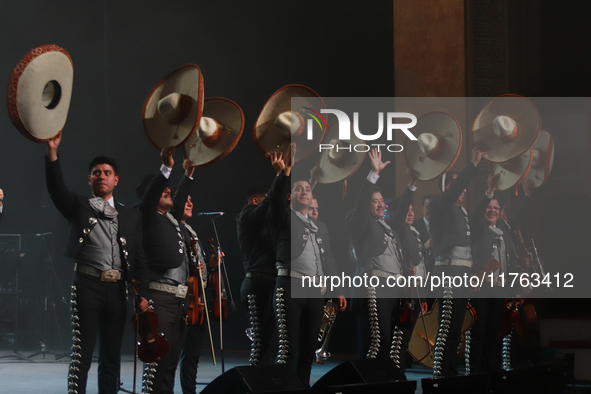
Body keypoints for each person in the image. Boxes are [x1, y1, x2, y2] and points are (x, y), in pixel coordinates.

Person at [44, 132, 149, 394]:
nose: (101, 176)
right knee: (83, 352)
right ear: (89, 179)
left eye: (106, 172)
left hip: (118, 290)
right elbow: (56, 190)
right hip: (87, 286)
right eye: (96, 172)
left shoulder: (130, 216)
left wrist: (143, 293)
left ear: (116, 179)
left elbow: (139, 257)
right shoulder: (79, 204)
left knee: (112, 356)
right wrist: (52, 153)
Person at [268, 145, 346, 386]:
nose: (304, 192)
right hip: (290, 285)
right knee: (288, 348)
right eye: (298, 189)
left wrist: (336, 288)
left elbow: (329, 259)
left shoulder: (319, 226)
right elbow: (275, 202)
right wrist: (284, 173)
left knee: (308, 349)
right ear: (290, 196)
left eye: (308, 189)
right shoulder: (284, 216)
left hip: (315, 291)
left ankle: (301, 387)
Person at [137, 147, 194, 394]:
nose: (168, 191)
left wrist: (189, 173)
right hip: (159, 298)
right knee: (157, 363)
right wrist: (166, 167)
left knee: (170, 363)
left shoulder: (171, 220)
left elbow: (179, 196)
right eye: (163, 189)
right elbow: (151, 197)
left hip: (178, 300)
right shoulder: (148, 215)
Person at [346, 149, 408, 370]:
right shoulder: (359, 220)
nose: (381, 205)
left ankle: (386, 380)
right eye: (375, 201)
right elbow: (362, 203)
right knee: (376, 340)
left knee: (391, 342)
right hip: (374, 286)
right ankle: (369, 383)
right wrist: (373, 175)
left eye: (382, 201)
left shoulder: (387, 227)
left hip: (393, 287)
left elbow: (400, 216)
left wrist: (412, 186)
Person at [429, 144, 487, 378]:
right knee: (447, 326)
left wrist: (489, 193)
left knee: (456, 328)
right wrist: (472, 166)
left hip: (462, 273)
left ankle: (450, 373)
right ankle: (442, 374)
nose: (462, 191)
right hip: (448, 272)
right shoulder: (439, 206)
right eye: (456, 186)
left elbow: (474, 222)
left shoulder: (461, 213)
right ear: (446, 188)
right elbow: (453, 192)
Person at [467, 176, 533, 375]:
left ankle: (490, 371)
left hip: (500, 287)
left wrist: (526, 195)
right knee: (480, 331)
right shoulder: (478, 228)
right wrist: (490, 191)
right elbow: (480, 210)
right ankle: (475, 373)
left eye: (496, 208)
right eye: (490, 207)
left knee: (495, 330)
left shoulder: (503, 228)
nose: (493, 210)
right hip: (482, 285)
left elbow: (516, 215)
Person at [236, 154, 287, 366]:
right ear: (256, 200)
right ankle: (255, 385)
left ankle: (265, 383)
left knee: (273, 343)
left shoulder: (269, 223)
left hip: (273, 284)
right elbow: (269, 205)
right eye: (266, 197)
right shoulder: (246, 216)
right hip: (257, 284)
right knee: (260, 342)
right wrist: (280, 174)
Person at [178, 195, 213, 394]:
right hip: (182, 297)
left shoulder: (190, 229)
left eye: (192, 199)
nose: (190, 203)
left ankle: (189, 391)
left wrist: (210, 265)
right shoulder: (173, 227)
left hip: (198, 298)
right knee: (177, 351)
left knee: (192, 353)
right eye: (185, 199)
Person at [413, 194, 435, 273]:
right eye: (427, 207)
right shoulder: (414, 226)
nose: (429, 210)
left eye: (432, 207)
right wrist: (424, 246)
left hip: (436, 270)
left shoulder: (439, 227)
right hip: (421, 269)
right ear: (423, 209)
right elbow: (411, 248)